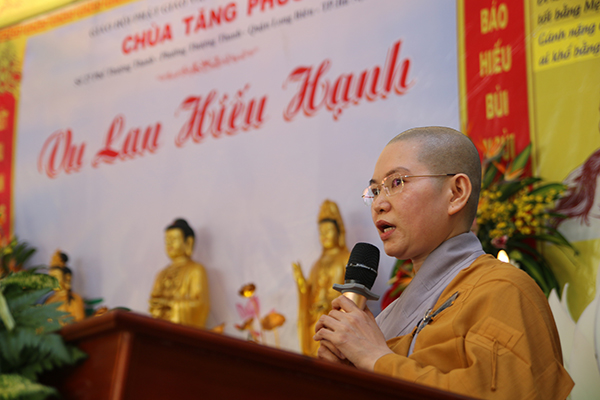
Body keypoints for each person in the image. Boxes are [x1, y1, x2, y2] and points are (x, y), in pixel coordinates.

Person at [314, 127, 574, 399]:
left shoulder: (505, 290)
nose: (379, 203)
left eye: (397, 182)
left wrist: (375, 358)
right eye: (375, 190)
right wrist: (347, 373)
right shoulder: (387, 318)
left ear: (456, 193)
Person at [292, 200, 350, 356]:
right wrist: (301, 283)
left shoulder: (346, 258)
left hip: (335, 320)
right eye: (321, 232)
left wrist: (329, 303)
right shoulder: (316, 264)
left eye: (328, 230)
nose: (324, 235)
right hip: (316, 322)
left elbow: (353, 294)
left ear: (338, 231)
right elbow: (309, 296)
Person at [149, 218, 210, 328]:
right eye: (167, 240)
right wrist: (156, 306)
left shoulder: (196, 269)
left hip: (181, 328)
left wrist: (169, 304)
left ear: (189, 242)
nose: (169, 243)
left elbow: (201, 305)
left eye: (174, 239)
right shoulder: (161, 274)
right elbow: (154, 302)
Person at [45, 250, 85, 324]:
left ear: (67, 278)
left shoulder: (74, 300)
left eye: (55, 277)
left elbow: (79, 323)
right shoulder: (49, 300)